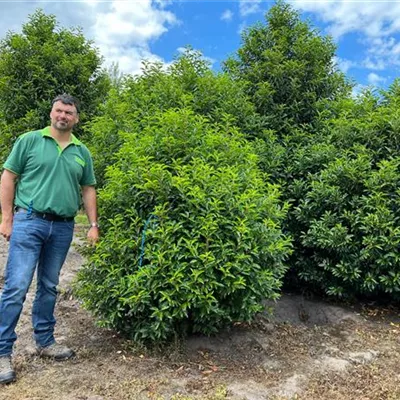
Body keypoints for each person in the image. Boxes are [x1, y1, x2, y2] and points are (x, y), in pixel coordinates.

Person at [0, 94, 99, 384]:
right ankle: (2, 351)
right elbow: (8, 176)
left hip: (63, 227)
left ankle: (45, 341)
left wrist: (93, 224)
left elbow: (88, 187)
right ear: (51, 113)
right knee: (16, 286)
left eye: (69, 112)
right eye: (59, 110)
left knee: (49, 285)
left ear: (76, 118)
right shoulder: (29, 140)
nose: (63, 116)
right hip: (29, 221)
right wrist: (7, 217)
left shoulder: (82, 151)